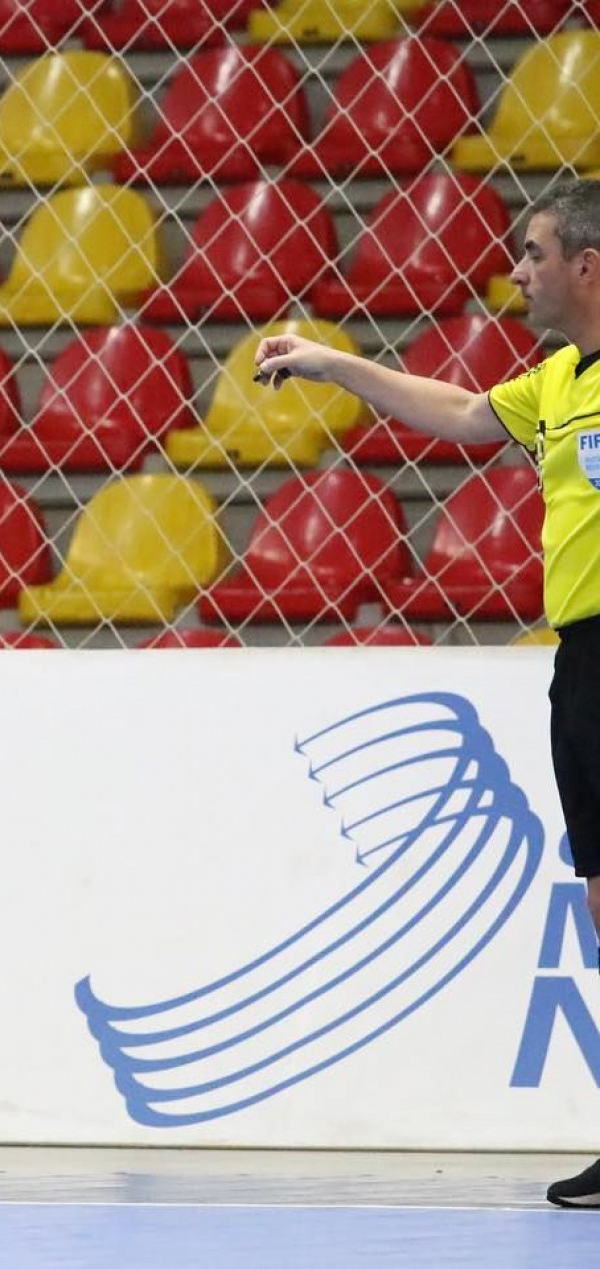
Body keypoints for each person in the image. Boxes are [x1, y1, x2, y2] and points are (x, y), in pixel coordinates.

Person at [254, 178, 600, 1209]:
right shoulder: (557, 378)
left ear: (586, 264)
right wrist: (332, 364)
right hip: (580, 660)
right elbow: (454, 411)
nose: (519, 271)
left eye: (534, 253)